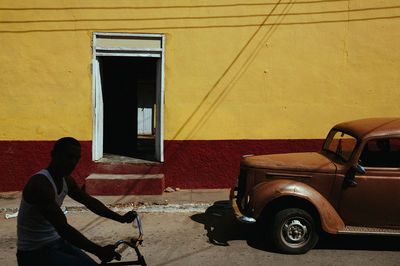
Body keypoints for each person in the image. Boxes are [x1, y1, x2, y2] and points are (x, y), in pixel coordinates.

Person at [16, 137, 136, 265]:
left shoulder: (66, 180)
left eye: (76, 158)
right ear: (54, 155)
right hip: (34, 253)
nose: (73, 162)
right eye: (68, 156)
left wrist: (121, 218)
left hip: (57, 242)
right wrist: (99, 251)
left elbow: (90, 203)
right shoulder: (40, 185)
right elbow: (63, 228)